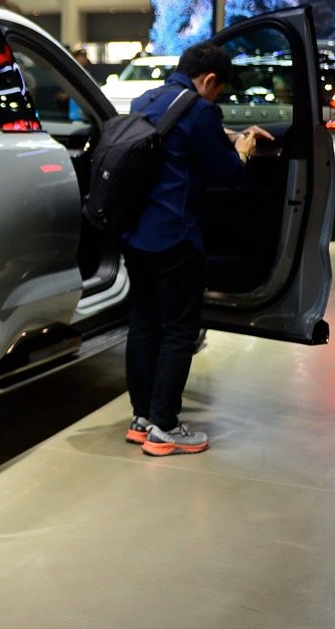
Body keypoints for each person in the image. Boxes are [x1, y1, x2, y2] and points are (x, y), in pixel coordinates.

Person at [120, 42, 273, 457]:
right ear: (209, 80)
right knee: (179, 330)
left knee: (144, 324)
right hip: (175, 236)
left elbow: (177, 143)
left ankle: (142, 419)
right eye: (218, 91)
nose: (215, 98)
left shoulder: (146, 99)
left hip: (134, 233)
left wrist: (227, 135)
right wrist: (243, 150)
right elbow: (226, 172)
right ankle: (165, 427)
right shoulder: (200, 110)